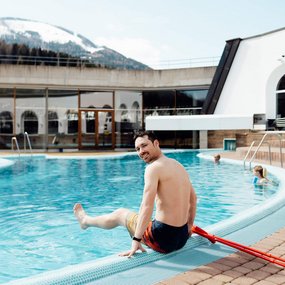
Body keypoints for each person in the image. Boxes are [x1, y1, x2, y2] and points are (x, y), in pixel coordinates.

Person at [74, 130, 197, 257]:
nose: (141, 151)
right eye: (137, 149)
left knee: (120, 214)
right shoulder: (179, 166)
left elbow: (147, 206)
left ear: (156, 143)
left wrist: (136, 239)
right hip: (181, 238)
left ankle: (85, 221)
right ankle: (86, 220)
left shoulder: (153, 168)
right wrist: (189, 226)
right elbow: (193, 199)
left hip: (162, 239)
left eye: (144, 145)